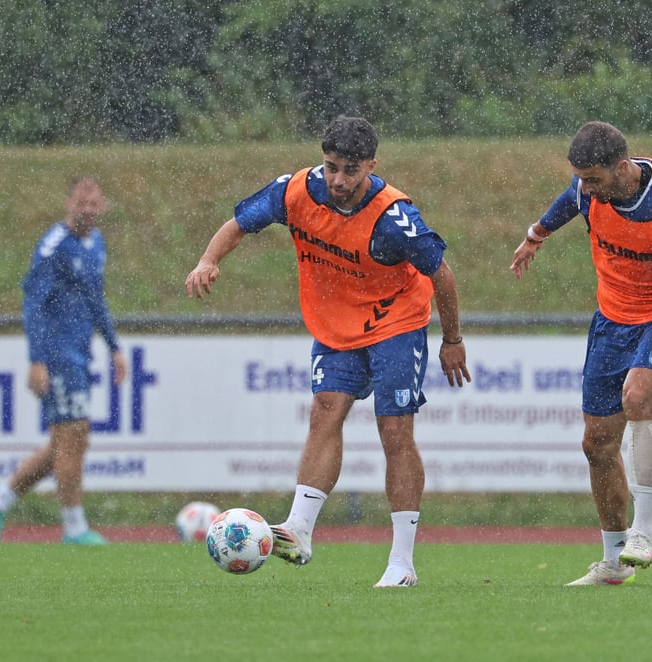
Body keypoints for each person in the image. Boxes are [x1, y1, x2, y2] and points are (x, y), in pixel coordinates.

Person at [185, 115, 470, 588]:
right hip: (337, 327)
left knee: (394, 431)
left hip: (395, 323)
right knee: (324, 411)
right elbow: (239, 223)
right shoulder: (296, 191)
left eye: (350, 170)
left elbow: (441, 272)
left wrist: (453, 340)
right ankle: (299, 529)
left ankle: (401, 563)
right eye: (331, 166)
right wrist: (207, 259)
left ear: (371, 166)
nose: (338, 180)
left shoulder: (393, 218)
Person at [510, 121, 652, 586]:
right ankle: (615, 563)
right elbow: (568, 201)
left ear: (622, 168)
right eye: (580, 178)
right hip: (612, 319)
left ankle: (644, 530)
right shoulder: (587, 192)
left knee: (637, 397)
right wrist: (536, 234)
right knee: (596, 444)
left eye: (593, 178)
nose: (585, 188)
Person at [0, 176, 127, 545]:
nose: (88, 210)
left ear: (102, 207)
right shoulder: (54, 247)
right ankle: (74, 528)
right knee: (73, 438)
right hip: (57, 354)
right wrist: (37, 360)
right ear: (69, 204)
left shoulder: (95, 243)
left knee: (66, 441)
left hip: (79, 353)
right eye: (81, 203)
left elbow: (96, 299)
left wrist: (114, 347)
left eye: (93, 203)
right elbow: (33, 304)